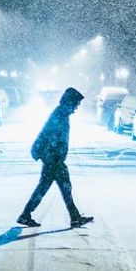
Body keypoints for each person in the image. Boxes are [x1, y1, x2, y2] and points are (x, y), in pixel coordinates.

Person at [17, 86, 93, 229]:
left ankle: (27, 215)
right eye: (76, 104)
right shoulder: (59, 115)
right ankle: (27, 215)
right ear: (69, 102)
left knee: (59, 188)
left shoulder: (61, 114)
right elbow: (48, 134)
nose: (76, 108)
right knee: (59, 187)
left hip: (54, 158)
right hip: (53, 159)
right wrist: (50, 154)